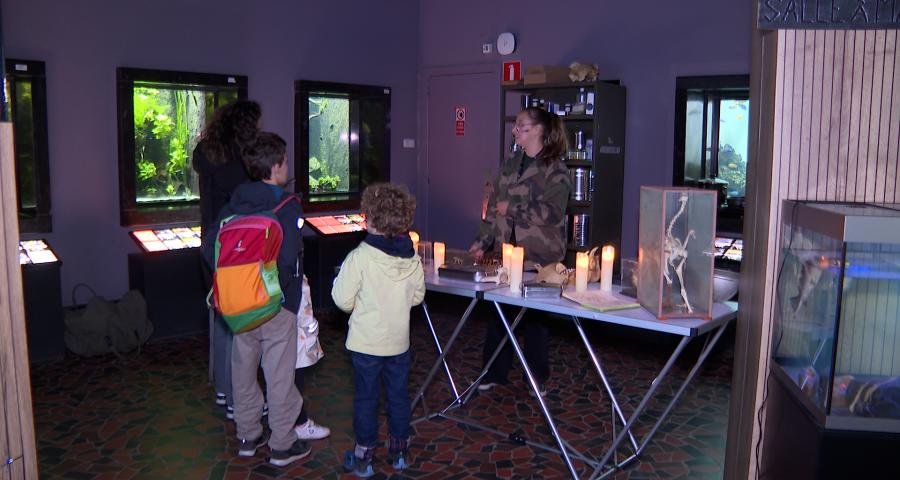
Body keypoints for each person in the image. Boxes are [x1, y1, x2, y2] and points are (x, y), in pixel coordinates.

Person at [204, 132, 309, 466]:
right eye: (286, 161)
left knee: (243, 371)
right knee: (279, 374)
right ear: (277, 166)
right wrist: (287, 296)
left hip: (238, 304)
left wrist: (237, 281)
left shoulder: (233, 203)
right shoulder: (286, 205)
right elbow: (290, 257)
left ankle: (248, 436)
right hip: (276, 304)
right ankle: (282, 443)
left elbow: (209, 249)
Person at [469, 106, 571, 397]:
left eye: (522, 126)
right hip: (507, 253)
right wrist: (481, 241)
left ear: (538, 130)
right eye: (515, 126)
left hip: (540, 255)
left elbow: (553, 212)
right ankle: (493, 372)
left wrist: (512, 208)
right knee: (499, 313)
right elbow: (493, 210)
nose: (515, 130)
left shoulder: (556, 168)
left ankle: (536, 376)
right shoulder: (510, 164)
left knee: (536, 319)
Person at [332, 183, 425, 477]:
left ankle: (364, 457)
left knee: (366, 400)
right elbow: (418, 297)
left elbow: (342, 300)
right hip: (399, 344)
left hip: (366, 345)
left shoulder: (360, 258)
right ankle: (399, 452)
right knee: (398, 397)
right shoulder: (411, 257)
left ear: (369, 219)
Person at [193, 99, 261, 419]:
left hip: (210, 240)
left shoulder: (206, 151)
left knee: (221, 318)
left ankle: (223, 389)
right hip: (235, 244)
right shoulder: (239, 161)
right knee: (239, 323)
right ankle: (238, 400)